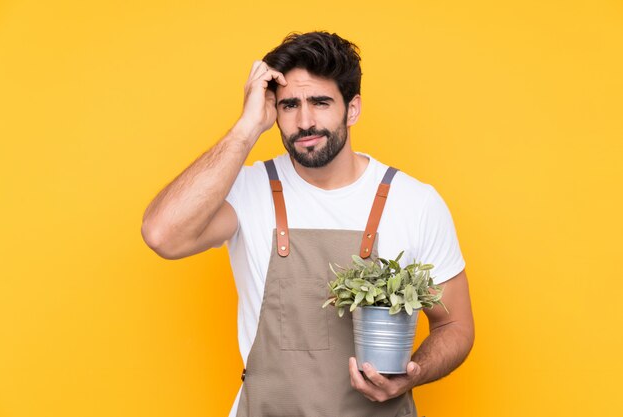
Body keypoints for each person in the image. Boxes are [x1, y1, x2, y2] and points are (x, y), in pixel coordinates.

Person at [141, 31, 474, 417]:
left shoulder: (415, 202)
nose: (304, 121)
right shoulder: (248, 189)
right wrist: (247, 127)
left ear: (352, 109)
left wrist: (412, 374)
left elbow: (455, 327)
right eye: (289, 105)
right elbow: (161, 234)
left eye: (320, 102)